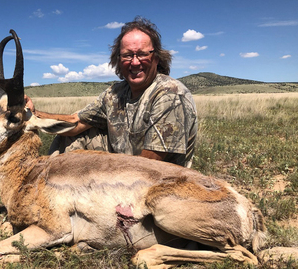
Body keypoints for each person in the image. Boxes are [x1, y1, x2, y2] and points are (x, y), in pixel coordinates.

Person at [26, 16, 198, 168]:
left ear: (156, 58)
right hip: (122, 168)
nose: (135, 62)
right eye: (128, 55)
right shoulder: (115, 93)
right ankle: (55, 192)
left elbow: (148, 167)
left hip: (155, 184)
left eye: (143, 54)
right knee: (68, 134)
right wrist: (31, 114)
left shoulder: (170, 94)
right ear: (118, 60)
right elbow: (75, 122)